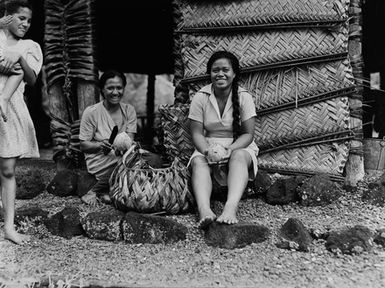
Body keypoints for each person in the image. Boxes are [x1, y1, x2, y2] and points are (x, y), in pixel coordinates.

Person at [188, 50, 259, 228]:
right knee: (198, 162)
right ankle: (204, 209)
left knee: (239, 156)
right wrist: (206, 151)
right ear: (210, 73)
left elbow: (248, 134)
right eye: (215, 70)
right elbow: (196, 133)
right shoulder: (200, 97)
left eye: (225, 70)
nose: (220, 74)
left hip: (239, 144)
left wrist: (230, 150)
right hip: (209, 144)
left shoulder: (244, 97)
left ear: (234, 73)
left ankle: (230, 208)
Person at [0, 0, 43, 244]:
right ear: (7, 16)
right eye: (21, 19)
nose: (26, 24)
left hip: (10, 108)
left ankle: (9, 226)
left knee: (7, 169)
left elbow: (32, 79)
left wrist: (18, 56)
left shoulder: (30, 45)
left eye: (29, 20)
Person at [79, 70, 137, 206]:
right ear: (102, 90)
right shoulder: (91, 112)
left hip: (123, 156)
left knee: (154, 160)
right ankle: (94, 191)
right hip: (100, 159)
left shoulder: (129, 111)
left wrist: (124, 149)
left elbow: (129, 142)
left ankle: (109, 192)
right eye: (110, 88)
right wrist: (100, 145)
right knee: (130, 162)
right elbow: (83, 145)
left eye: (119, 88)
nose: (115, 92)